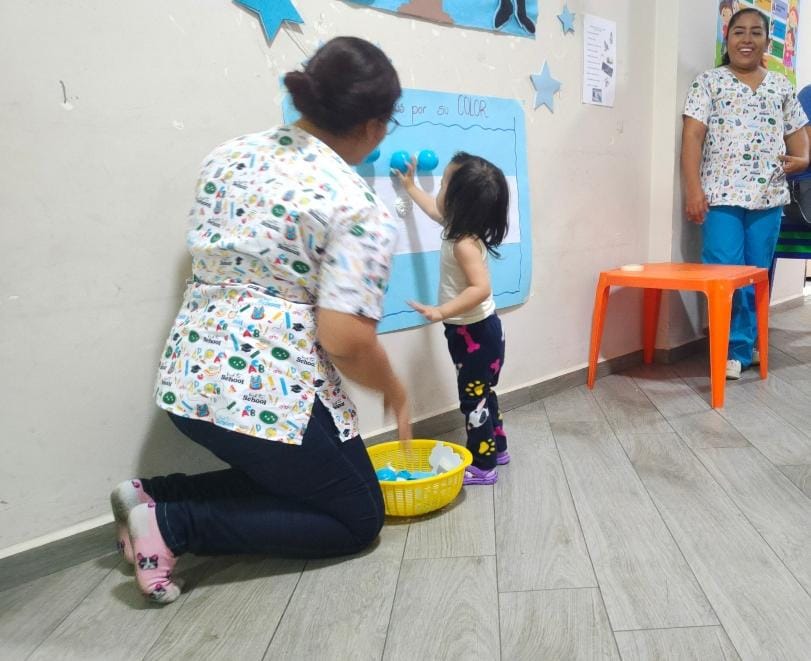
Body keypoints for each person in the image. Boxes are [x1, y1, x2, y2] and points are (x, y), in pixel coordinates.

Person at [109, 37, 412, 603]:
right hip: (265, 397)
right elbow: (345, 339)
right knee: (358, 516)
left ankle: (153, 495)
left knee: (316, 480)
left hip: (187, 382)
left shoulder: (229, 155)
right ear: (374, 125)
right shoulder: (356, 204)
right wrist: (393, 388)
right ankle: (174, 527)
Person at [681, 8, 809, 380]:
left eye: (756, 32)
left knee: (756, 274)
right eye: (739, 32)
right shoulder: (708, 82)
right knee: (724, 272)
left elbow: (799, 135)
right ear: (728, 38)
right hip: (720, 195)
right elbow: (692, 137)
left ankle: (744, 345)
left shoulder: (780, 86)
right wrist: (693, 189)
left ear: (767, 41)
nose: (747, 39)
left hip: (768, 195)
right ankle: (731, 347)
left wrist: (802, 159)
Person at [395, 152, 510, 485]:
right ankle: (499, 449)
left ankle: (484, 466)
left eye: (444, 184)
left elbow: (481, 288)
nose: (439, 190)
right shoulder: (457, 227)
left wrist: (441, 311)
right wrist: (410, 187)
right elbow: (433, 209)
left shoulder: (464, 244)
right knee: (484, 393)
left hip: (474, 333)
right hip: (481, 331)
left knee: (473, 401)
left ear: (459, 201)